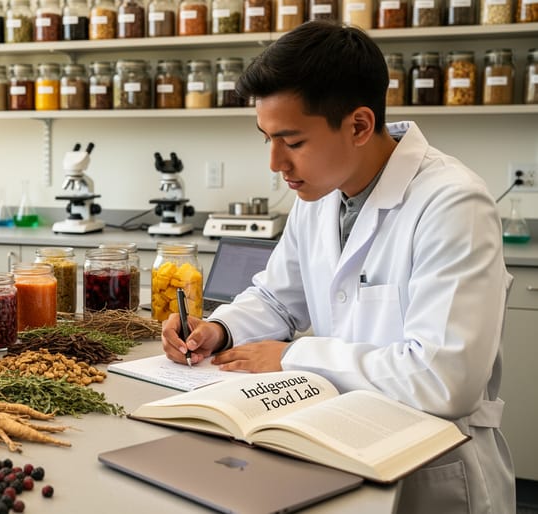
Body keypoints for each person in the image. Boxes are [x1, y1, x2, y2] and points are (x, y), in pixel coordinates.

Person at [161, 21, 514, 513]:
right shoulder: (320, 192)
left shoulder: (453, 203)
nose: (275, 163)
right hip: (334, 446)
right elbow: (277, 297)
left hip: (432, 471)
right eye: (266, 138)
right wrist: (219, 329)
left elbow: (443, 380)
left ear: (359, 125)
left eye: (292, 140)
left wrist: (292, 358)